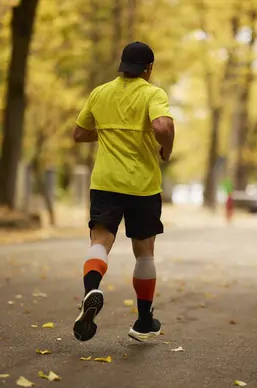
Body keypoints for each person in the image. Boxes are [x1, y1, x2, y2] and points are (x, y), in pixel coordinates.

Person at [72, 41, 175, 343]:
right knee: (144, 253)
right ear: (149, 68)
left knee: (100, 241)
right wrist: (165, 150)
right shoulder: (152, 93)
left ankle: (92, 287)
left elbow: (79, 133)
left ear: (122, 65)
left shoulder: (100, 93)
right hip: (142, 186)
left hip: (105, 183)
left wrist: (109, 130)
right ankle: (144, 321)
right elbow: (163, 127)